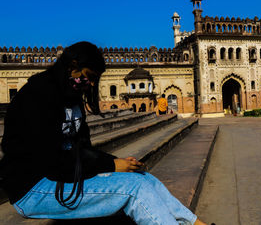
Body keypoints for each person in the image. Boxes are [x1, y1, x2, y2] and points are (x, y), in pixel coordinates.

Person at [0, 42, 206, 225]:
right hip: (33, 189)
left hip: (63, 176)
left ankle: (194, 222)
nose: (90, 84)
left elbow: (83, 149)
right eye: (88, 77)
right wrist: (111, 165)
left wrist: (118, 163)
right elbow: (52, 162)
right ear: (72, 66)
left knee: (143, 178)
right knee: (134, 189)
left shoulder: (71, 96)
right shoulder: (38, 94)